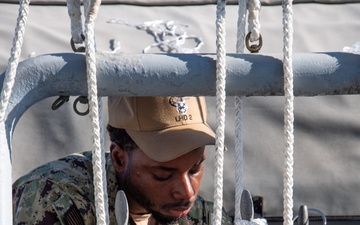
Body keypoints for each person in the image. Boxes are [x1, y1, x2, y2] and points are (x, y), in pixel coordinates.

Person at [12, 96, 233, 225]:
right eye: (163, 175)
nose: (186, 193)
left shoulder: (200, 215)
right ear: (119, 158)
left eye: (195, 169)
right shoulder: (55, 199)